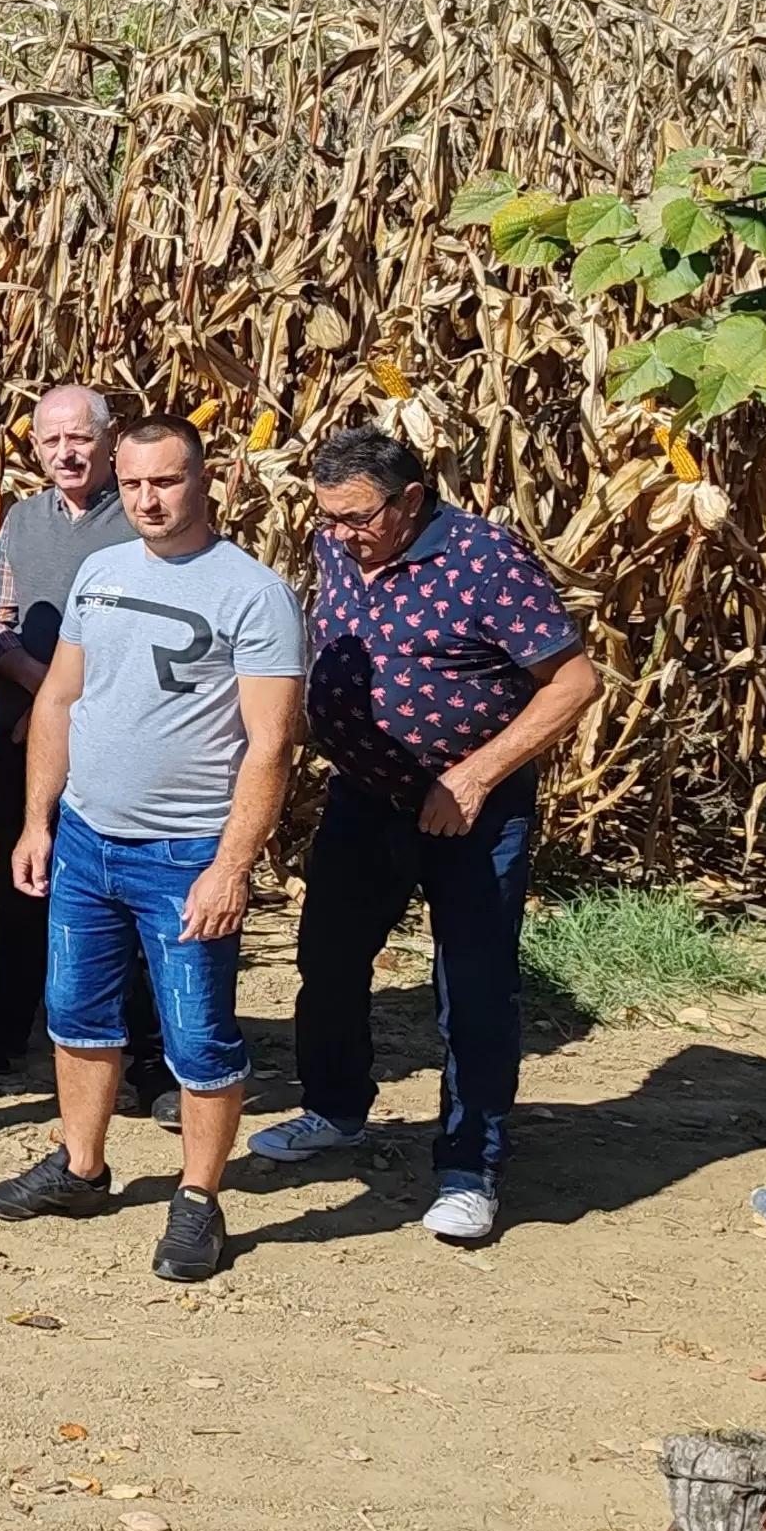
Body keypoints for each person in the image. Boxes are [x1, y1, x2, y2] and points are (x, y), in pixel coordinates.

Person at [247, 424, 600, 1246]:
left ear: (410, 500)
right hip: (362, 797)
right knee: (327, 963)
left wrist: (472, 775)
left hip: (473, 810)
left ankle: (468, 1164)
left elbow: (573, 680)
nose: (337, 534)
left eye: (356, 517)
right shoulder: (337, 544)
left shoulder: (486, 560)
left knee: (472, 988)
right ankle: (333, 1111)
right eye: (325, 515)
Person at [0, 417, 306, 1283]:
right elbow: (58, 698)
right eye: (131, 484)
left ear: (206, 482)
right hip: (87, 839)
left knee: (198, 1038)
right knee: (76, 1015)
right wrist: (37, 819)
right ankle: (81, 1167)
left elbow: (271, 743)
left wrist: (230, 865)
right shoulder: (100, 571)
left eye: (164, 482)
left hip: (185, 850)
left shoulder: (253, 593)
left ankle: (198, 1199)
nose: (147, 500)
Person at [0, 386, 139, 1091]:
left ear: (108, 441)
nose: (64, 453)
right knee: (21, 888)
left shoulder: (140, 518)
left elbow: (149, 639)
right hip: (27, 742)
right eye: (50, 441)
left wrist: (67, 704)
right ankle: (2, 1028)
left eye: (78, 439)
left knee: (123, 892)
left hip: (118, 745)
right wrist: (51, 695)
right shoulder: (21, 518)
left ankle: (145, 1051)